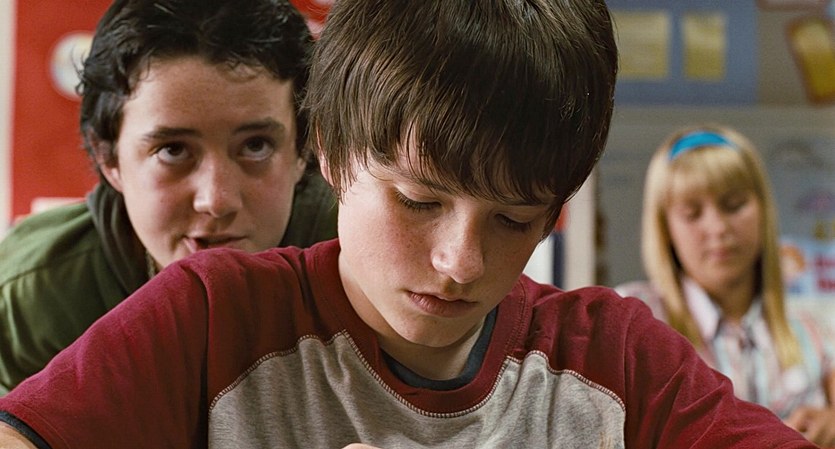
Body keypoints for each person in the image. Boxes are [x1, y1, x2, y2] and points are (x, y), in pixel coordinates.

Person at [0, 1, 818, 447]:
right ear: (328, 151)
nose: (461, 261)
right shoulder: (209, 316)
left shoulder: (615, 358)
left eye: (512, 218)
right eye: (418, 201)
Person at [0, 0, 337, 395]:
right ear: (109, 157)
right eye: (173, 151)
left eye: (256, 146)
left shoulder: (360, 260)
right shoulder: (35, 297)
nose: (216, 200)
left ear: (303, 150)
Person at [616, 124, 835, 447]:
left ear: (763, 210)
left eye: (733, 205)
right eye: (692, 213)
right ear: (665, 228)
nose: (717, 228)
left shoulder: (815, 329)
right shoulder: (630, 322)